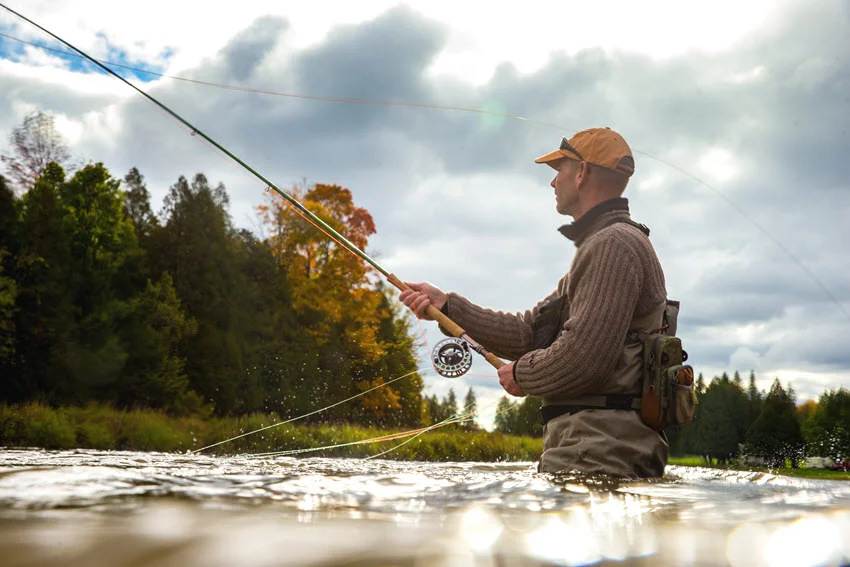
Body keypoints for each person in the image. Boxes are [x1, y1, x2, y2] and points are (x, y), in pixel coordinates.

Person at [399, 127, 669, 478]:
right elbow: (531, 333)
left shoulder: (613, 246)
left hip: (599, 454)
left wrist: (523, 375)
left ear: (583, 173)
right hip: (591, 449)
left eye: (560, 170)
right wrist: (448, 305)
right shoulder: (605, 246)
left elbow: (586, 358)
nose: (553, 183)